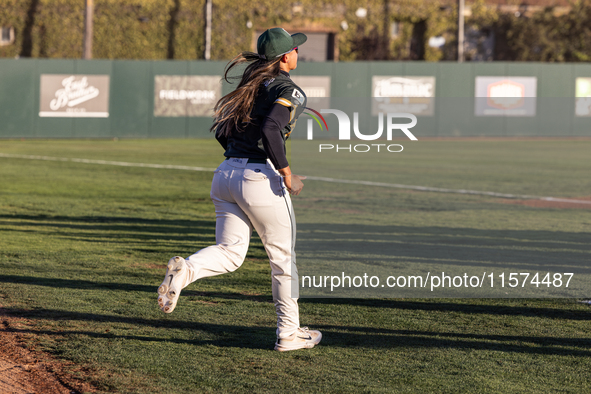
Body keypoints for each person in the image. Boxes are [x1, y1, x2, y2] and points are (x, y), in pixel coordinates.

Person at [157, 27, 322, 352]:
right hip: (258, 178)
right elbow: (271, 127)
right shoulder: (290, 89)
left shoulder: (252, 85)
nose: (298, 53)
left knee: (231, 252)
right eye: (295, 49)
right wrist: (287, 174)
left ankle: (186, 270)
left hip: (226, 174)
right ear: (286, 56)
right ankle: (289, 334)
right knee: (283, 261)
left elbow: (222, 129)